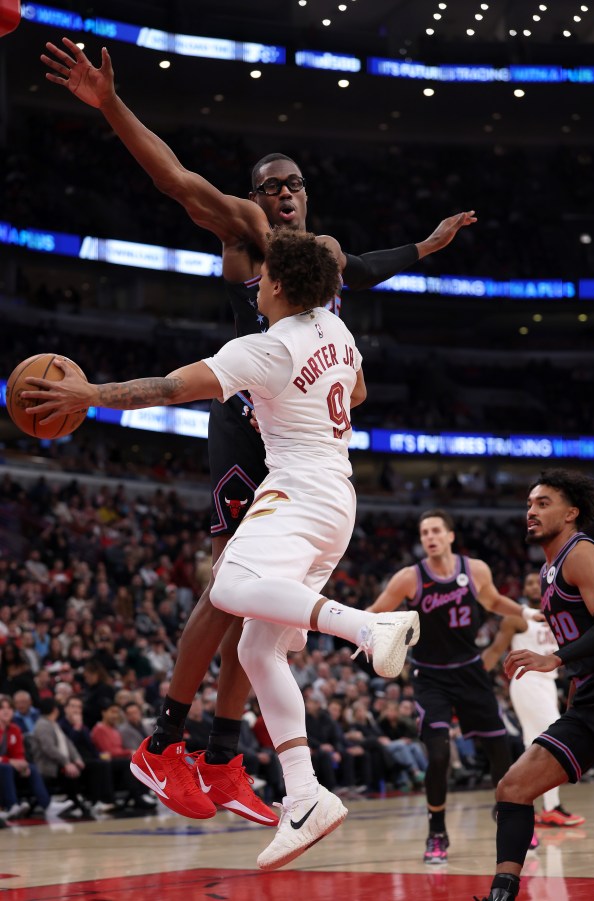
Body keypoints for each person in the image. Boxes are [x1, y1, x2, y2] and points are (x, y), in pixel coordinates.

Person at [40, 36, 474, 828]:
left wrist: (426, 247)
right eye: (271, 186)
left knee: (260, 618)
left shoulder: (325, 261)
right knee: (229, 587)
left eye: (294, 185)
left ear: (308, 194)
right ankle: (168, 740)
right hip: (246, 428)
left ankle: (224, 753)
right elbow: (177, 181)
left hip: (302, 439)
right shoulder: (245, 232)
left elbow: (367, 265)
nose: (283, 196)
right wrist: (109, 106)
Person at [23, 230, 420, 868]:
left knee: (227, 588)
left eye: (261, 278)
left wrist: (87, 396)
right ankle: (305, 796)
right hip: (338, 500)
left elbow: (167, 389)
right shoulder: (337, 332)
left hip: (295, 493)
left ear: (280, 286)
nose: (254, 284)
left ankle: (367, 628)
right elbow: (360, 394)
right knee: (258, 648)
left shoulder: (266, 346)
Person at [476, 470, 594, 901]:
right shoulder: (548, 569)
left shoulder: (580, 553)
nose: (531, 512)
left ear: (571, 513)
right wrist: (574, 681)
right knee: (513, 789)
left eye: (543, 504)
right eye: (529, 505)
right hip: (590, 696)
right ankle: (502, 894)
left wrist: (556, 659)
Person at [367, 508, 528, 865]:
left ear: (451, 535)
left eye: (436, 530)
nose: (430, 536)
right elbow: (375, 612)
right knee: (438, 756)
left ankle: (507, 814)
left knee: (499, 749)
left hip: (471, 672)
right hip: (430, 676)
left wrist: (526, 613)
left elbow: (493, 601)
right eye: (424, 532)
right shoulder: (409, 578)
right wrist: (360, 633)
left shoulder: (476, 570)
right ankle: (437, 831)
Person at [482, 572, 585, 829]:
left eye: (534, 582)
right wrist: (472, 678)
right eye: (526, 583)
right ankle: (551, 808)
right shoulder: (516, 618)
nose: (531, 586)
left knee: (534, 746)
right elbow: (495, 650)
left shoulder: (557, 614)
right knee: (556, 739)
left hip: (548, 683)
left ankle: (520, 801)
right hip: (527, 682)